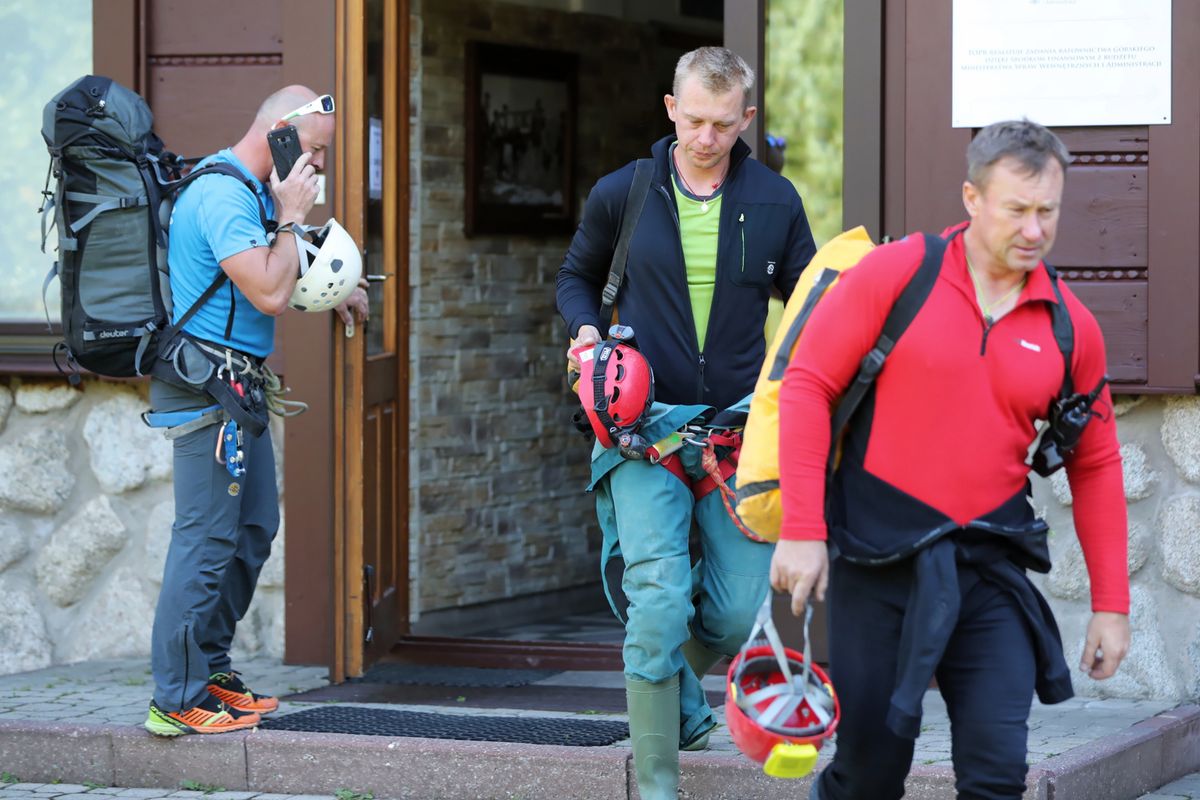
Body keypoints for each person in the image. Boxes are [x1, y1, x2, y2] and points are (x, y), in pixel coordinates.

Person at [772, 120, 1130, 799]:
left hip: (988, 573)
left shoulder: (1068, 325)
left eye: (1047, 211)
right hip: (876, 566)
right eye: (1017, 210)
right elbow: (808, 384)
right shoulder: (897, 273)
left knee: (997, 776)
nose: (1034, 229)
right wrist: (803, 528)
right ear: (972, 198)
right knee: (870, 775)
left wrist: (1112, 605)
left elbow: (1097, 462)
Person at [556, 46, 816, 799]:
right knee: (657, 601)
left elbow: (806, 310)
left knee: (736, 617)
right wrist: (584, 331)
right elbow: (576, 276)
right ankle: (659, 786)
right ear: (671, 110)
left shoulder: (775, 202)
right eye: (694, 120)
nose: (706, 138)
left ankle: (680, 702)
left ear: (747, 119)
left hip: (736, 432)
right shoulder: (623, 192)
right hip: (644, 428)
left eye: (722, 125)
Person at [144, 86, 368, 736]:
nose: (317, 168)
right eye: (315, 151)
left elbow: (264, 282)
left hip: (237, 388)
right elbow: (269, 290)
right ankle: (175, 696)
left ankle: (209, 672)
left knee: (251, 531)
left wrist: (335, 291)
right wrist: (293, 215)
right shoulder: (222, 195)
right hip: (206, 392)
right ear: (281, 133)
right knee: (206, 539)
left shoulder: (251, 197)